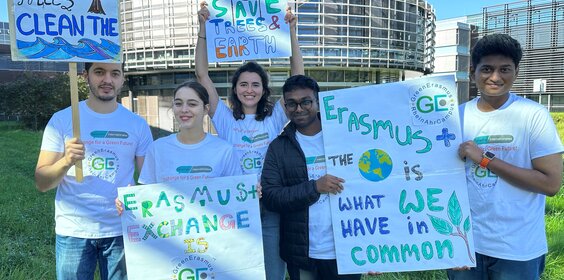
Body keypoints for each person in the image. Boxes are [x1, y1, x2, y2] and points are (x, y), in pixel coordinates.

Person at [195, 2, 304, 279]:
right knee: (235, 272)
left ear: (264, 90)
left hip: (269, 207)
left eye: (256, 84)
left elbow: (298, 78)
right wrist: (203, 29)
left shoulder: (274, 119)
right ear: (235, 89)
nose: (249, 90)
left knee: (272, 273)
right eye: (243, 84)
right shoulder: (224, 119)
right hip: (233, 207)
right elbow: (202, 75)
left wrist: (291, 31)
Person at [451, 33, 563, 279]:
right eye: (487, 69)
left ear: (516, 72)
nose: (495, 77)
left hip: (518, 248)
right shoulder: (454, 117)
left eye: (505, 69)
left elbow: (551, 184)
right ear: (473, 71)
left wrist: (485, 159)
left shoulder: (533, 115)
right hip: (465, 242)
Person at [35, 62, 153, 279]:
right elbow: (42, 183)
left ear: (123, 78)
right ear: (84, 75)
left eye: (115, 73)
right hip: (74, 230)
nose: (107, 80)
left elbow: (150, 180)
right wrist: (66, 161)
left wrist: (137, 193)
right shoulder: (62, 120)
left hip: (121, 230)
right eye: (99, 72)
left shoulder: (137, 124)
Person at [261, 75, 361, 280]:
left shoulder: (346, 139)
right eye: (291, 103)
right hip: (302, 255)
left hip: (347, 251)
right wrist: (314, 187)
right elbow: (271, 197)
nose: (298, 109)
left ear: (317, 102)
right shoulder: (278, 148)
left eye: (305, 101)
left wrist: (375, 249)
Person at [136, 81, 240, 184]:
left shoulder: (225, 151)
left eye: (192, 104)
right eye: (178, 104)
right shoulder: (157, 149)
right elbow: (147, 195)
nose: (184, 109)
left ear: (205, 109)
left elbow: (238, 193)